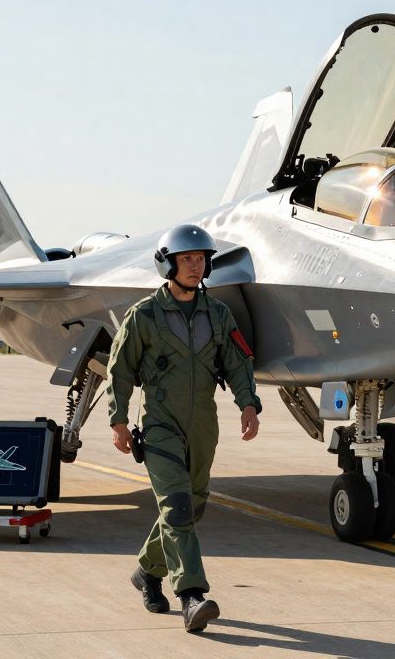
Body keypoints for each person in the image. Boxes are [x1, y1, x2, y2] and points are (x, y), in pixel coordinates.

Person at [106, 223, 261, 633]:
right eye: (186, 259)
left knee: (193, 506)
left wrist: (248, 404)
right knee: (176, 507)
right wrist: (118, 420)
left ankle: (146, 570)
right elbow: (119, 370)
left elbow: (238, 363)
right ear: (167, 264)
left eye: (200, 259)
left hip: (202, 425)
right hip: (159, 424)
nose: (195, 266)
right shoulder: (144, 316)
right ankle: (191, 596)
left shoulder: (218, 314)